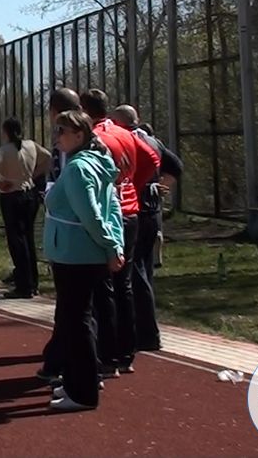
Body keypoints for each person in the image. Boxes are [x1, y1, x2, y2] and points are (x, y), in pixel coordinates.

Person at [43, 110, 124, 412]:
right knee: (75, 321)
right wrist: (114, 244)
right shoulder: (95, 164)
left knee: (77, 324)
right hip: (77, 254)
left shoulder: (78, 168)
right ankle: (78, 382)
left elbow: (91, 213)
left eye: (62, 130)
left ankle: (84, 391)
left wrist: (110, 245)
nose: (57, 136)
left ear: (80, 135)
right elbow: (111, 208)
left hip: (75, 256)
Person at [80, 90, 159, 375]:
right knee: (124, 286)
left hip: (111, 214)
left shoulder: (95, 138)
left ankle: (108, 353)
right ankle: (126, 352)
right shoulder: (126, 133)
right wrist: (132, 185)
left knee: (104, 286)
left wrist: (117, 187)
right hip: (132, 212)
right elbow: (152, 158)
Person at [110, 105, 184, 352]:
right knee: (144, 270)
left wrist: (145, 187)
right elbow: (176, 167)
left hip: (136, 210)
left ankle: (146, 333)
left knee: (135, 273)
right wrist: (161, 185)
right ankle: (140, 328)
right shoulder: (153, 141)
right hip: (152, 212)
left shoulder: (126, 140)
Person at [37, 88, 82, 382]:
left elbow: (74, 196)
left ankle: (68, 367)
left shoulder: (74, 151)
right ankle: (73, 363)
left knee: (73, 307)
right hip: (79, 233)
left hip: (73, 236)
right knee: (82, 306)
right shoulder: (99, 141)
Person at [0, 117, 51, 299]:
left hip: (12, 194)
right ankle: (33, 282)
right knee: (28, 238)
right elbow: (48, 158)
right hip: (29, 193)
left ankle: (23, 284)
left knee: (16, 241)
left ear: (5, 132)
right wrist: (33, 175)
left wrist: (0, 182)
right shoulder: (31, 146)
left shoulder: (4, 150)